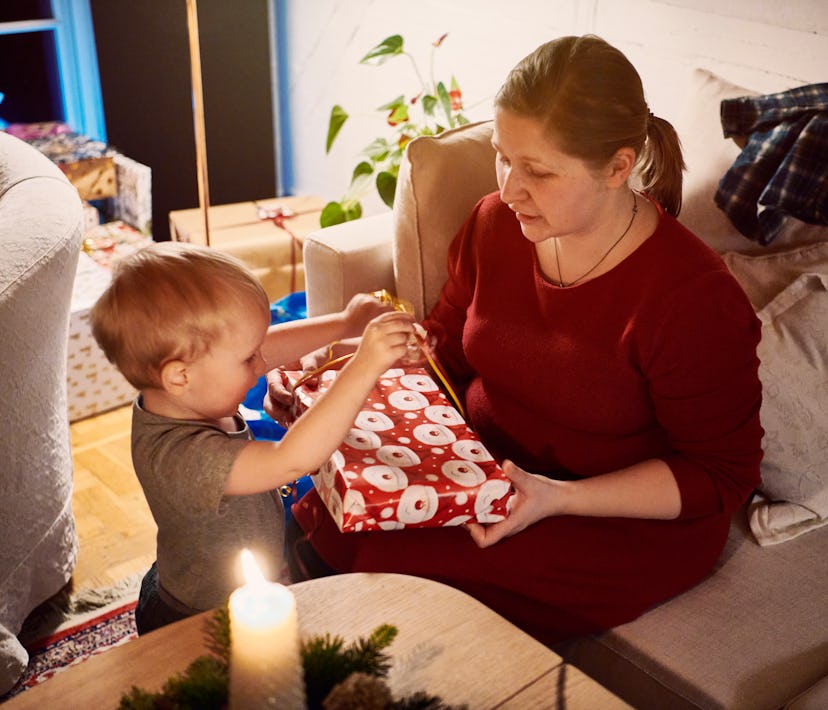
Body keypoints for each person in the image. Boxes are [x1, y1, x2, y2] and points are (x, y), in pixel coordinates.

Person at [266, 35, 763, 646]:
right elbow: (448, 343)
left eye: (539, 172)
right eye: (504, 157)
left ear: (618, 167)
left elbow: (720, 476)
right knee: (323, 513)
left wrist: (557, 499)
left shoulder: (692, 300)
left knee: (381, 566)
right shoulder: (494, 223)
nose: (508, 189)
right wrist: (377, 369)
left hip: (611, 518)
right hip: (486, 463)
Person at [90, 242, 414, 634]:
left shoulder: (186, 394)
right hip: (200, 617)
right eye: (248, 360)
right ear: (179, 376)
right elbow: (291, 460)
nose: (262, 364)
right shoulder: (181, 456)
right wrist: (365, 364)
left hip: (234, 589)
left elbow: (266, 347)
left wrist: (344, 322)